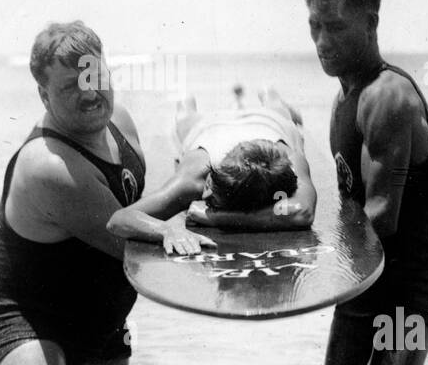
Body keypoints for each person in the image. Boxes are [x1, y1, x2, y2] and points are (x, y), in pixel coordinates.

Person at [0, 21, 164, 365]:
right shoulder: (48, 165)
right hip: (25, 311)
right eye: (70, 86)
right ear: (43, 95)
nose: (90, 93)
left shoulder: (122, 125)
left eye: (95, 76)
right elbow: (135, 247)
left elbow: (147, 217)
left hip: (97, 311)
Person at [304, 0, 428, 365]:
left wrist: (305, 264)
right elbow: (349, 206)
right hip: (364, 285)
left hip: (413, 294)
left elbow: (381, 218)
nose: (322, 42)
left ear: (371, 23)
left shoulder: (387, 97)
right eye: (314, 27)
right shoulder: (345, 97)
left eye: (336, 28)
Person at [106, 88, 316, 249]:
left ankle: (269, 93)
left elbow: (304, 213)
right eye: (209, 188)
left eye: (213, 202)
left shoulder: (289, 160)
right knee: (184, 118)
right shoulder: (193, 177)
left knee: (276, 108)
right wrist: (165, 230)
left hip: (269, 121)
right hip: (209, 128)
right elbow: (118, 220)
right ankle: (187, 99)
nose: (204, 195)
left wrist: (214, 217)